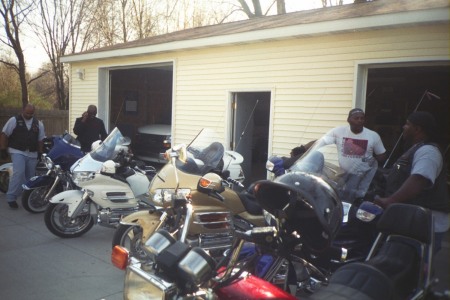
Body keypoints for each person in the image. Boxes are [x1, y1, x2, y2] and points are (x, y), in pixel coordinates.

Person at [374, 111, 449, 253]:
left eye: (407, 124)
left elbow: (419, 180)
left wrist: (390, 200)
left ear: (417, 129)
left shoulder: (428, 151)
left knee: (412, 266)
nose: (403, 127)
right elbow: (400, 173)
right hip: (410, 219)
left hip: (424, 224)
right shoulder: (415, 149)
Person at [319, 108, 387, 201]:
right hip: (344, 177)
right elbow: (320, 142)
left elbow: (382, 156)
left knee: (356, 201)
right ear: (349, 120)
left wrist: (370, 159)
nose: (360, 120)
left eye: (362, 118)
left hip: (363, 178)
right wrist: (303, 148)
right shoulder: (338, 131)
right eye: (356, 118)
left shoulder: (373, 135)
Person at [0, 104, 46, 209]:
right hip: (17, 150)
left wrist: (40, 152)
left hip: (32, 153)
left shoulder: (38, 124)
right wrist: (2, 148)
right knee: (19, 172)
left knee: (31, 177)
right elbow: (4, 134)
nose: (29, 115)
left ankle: (28, 197)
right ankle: (11, 198)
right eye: (27, 113)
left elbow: (40, 139)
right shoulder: (14, 120)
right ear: (22, 111)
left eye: (31, 113)